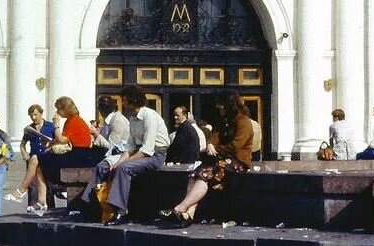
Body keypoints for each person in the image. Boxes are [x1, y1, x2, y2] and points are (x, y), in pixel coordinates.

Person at [160, 91, 253, 227]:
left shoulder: (244, 122)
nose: (218, 107)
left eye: (220, 104)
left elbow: (236, 145)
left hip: (237, 162)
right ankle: (188, 215)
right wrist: (210, 144)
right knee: (194, 175)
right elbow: (214, 137)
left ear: (228, 105)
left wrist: (216, 149)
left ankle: (179, 209)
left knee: (205, 175)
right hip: (221, 159)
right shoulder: (224, 121)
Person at [82, 85, 169, 225]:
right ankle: (90, 204)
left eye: (125, 100)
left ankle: (120, 211)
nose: (122, 103)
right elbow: (129, 148)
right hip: (138, 152)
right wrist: (115, 163)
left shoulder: (150, 116)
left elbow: (147, 150)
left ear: (133, 101)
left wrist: (121, 164)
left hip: (156, 155)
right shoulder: (133, 120)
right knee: (104, 166)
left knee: (124, 168)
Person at [36, 96, 100, 203]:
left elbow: (61, 139)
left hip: (80, 155)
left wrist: (56, 125)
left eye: (58, 109)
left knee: (40, 162)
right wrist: (49, 143)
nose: (57, 112)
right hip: (77, 153)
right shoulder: (71, 120)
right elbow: (63, 139)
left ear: (65, 109)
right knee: (41, 160)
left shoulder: (75, 121)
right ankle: (44, 198)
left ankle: (44, 197)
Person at [5, 104, 56, 214]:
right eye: (31, 115)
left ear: (41, 114)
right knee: (34, 184)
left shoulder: (50, 126)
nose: (33, 117)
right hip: (34, 159)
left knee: (48, 184)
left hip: (47, 158)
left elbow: (57, 140)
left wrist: (50, 145)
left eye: (35, 114)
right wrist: (24, 155)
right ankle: (36, 205)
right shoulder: (29, 129)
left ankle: (22, 191)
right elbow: (22, 144)